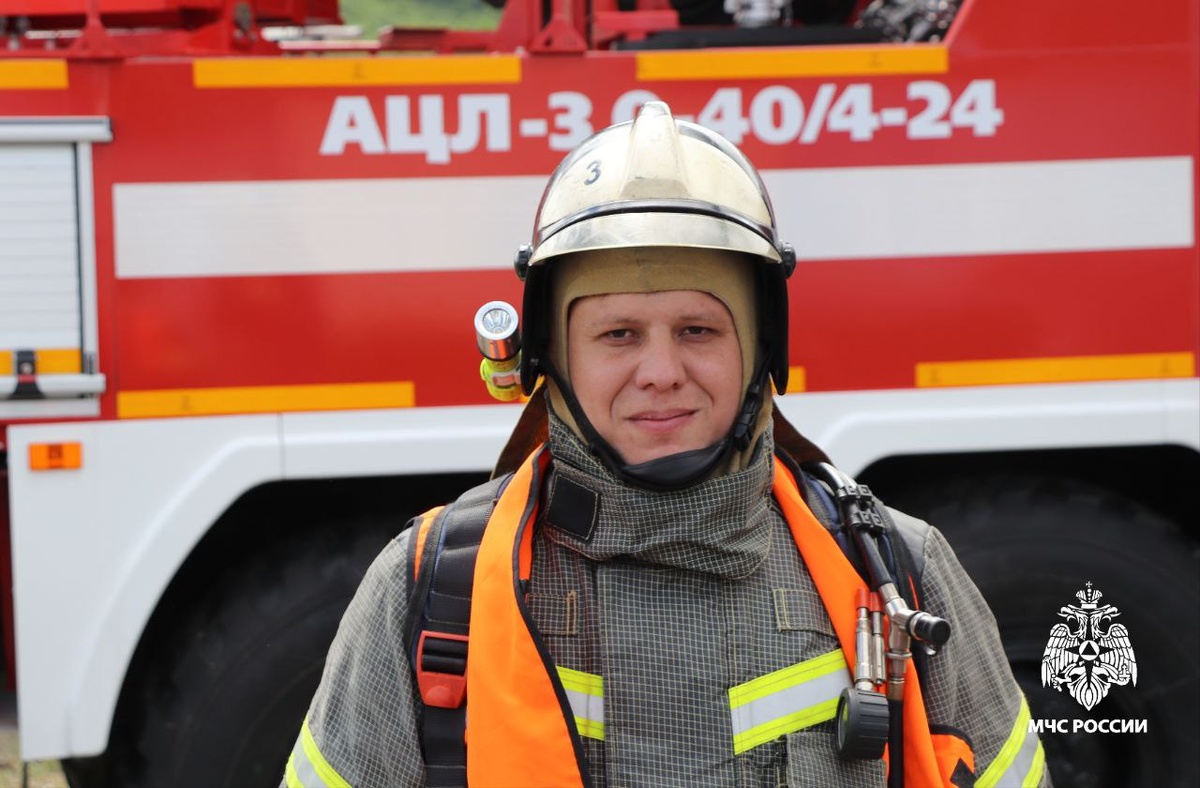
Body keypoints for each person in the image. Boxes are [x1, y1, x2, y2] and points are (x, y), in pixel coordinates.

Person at [282, 101, 1049, 788]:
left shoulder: (899, 574)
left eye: (698, 330)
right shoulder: (428, 592)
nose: (660, 372)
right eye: (618, 334)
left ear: (760, 348)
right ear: (553, 355)